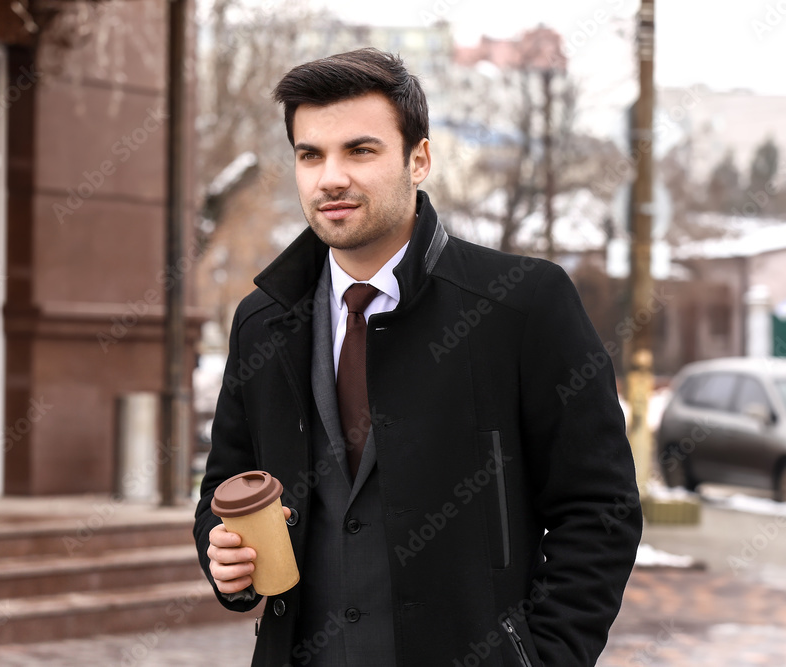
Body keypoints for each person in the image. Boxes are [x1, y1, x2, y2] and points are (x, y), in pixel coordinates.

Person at [194, 48, 642, 667]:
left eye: (360, 150)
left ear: (419, 159)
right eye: (309, 154)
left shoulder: (523, 305)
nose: (330, 178)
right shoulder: (263, 322)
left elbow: (600, 510)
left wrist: (545, 658)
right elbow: (224, 484)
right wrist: (224, 556)